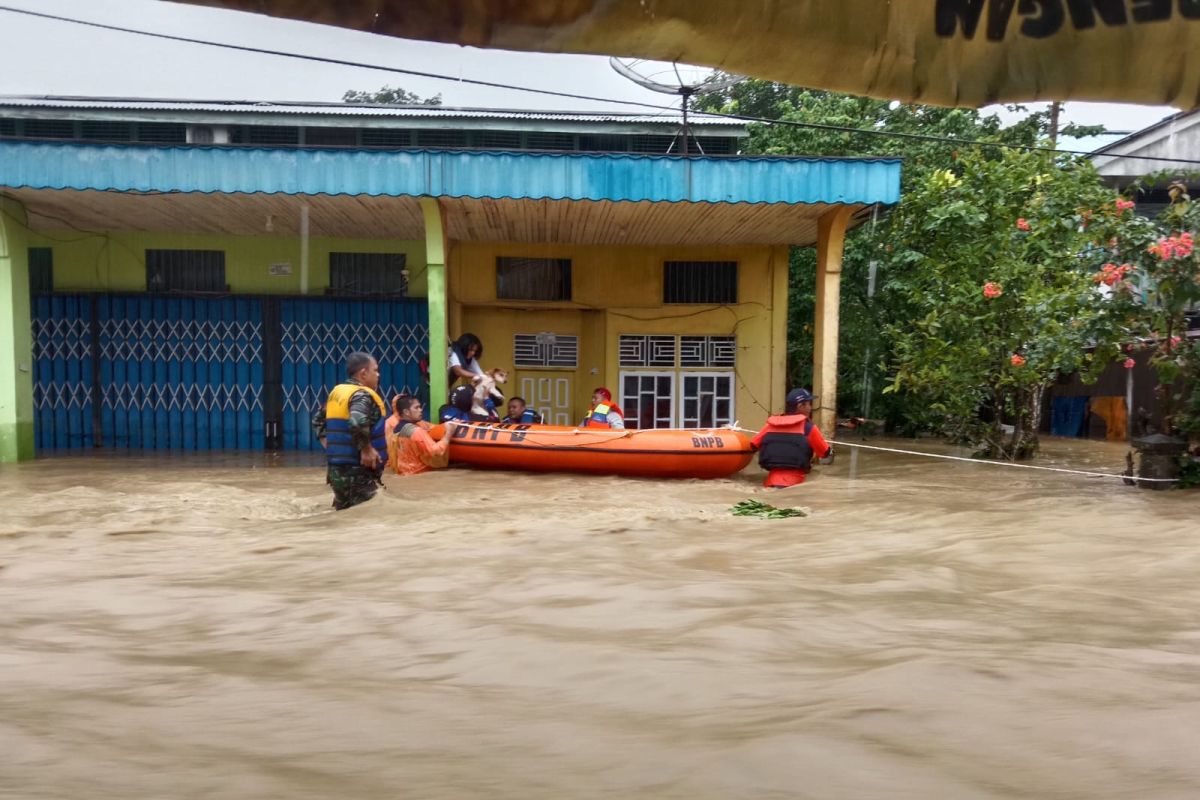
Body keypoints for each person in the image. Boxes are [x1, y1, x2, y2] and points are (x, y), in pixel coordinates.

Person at [311, 351, 388, 510]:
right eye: (375, 370)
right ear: (364, 373)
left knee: (345, 514)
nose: (378, 374)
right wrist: (366, 449)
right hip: (356, 473)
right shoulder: (361, 395)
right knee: (371, 516)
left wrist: (329, 444)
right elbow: (357, 421)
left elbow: (317, 420)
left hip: (337, 472)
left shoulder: (337, 393)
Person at [750, 387, 832, 488]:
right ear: (800, 406)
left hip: (770, 483)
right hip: (795, 484)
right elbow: (825, 453)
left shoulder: (770, 426)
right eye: (809, 404)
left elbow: (752, 446)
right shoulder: (808, 427)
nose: (810, 408)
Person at [387, 395, 458, 476]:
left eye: (420, 407)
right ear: (406, 412)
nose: (420, 410)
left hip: (404, 473)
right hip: (419, 473)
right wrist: (449, 433)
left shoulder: (396, 428)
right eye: (416, 408)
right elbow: (436, 452)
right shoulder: (416, 431)